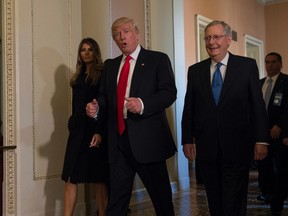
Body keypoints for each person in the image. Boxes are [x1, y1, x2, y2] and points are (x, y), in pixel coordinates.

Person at [86, 17, 177, 216]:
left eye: (126, 31)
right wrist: (96, 108)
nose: (121, 37)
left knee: (161, 201)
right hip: (118, 143)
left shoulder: (157, 59)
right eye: (117, 34)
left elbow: (169, 93)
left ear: (137, 33)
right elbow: (103, 97)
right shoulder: (110, 66)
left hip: (148, 143)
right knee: (116, 202)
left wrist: (142, 104)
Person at [181, 20, 269, 216]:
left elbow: (257, 106)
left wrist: (261, 140)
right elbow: (190, 108)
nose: (212, 42)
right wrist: (187, 139)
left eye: (216, 37)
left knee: (234, 198)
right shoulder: (195, 71)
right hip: (207, 147)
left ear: (228, 40)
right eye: (208, 37)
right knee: (214, 197)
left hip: (237, 145)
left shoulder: (246, 66)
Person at [61, 38, 109, 216]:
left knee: (99, 178)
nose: (86, 53)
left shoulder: (102, 74)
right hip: (77, 131)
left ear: (95, 52)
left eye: (90, 49)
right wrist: (72, 123)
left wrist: (99, 132)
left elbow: (106, 105)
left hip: (94, 130)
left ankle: (103, 213)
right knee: (70, 177)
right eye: (83, 50)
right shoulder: (77, 77)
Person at [257, 52, 288, 206]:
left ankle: (278, 198)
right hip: (262, 133)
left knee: (281, 167)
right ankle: (267, 193)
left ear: (281, 64)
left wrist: (280, 125)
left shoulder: (286, 81)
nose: (270, 65)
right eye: (267, 62)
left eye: (274, 62)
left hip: (280, 134)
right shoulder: (259, 83)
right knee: (264, 165)